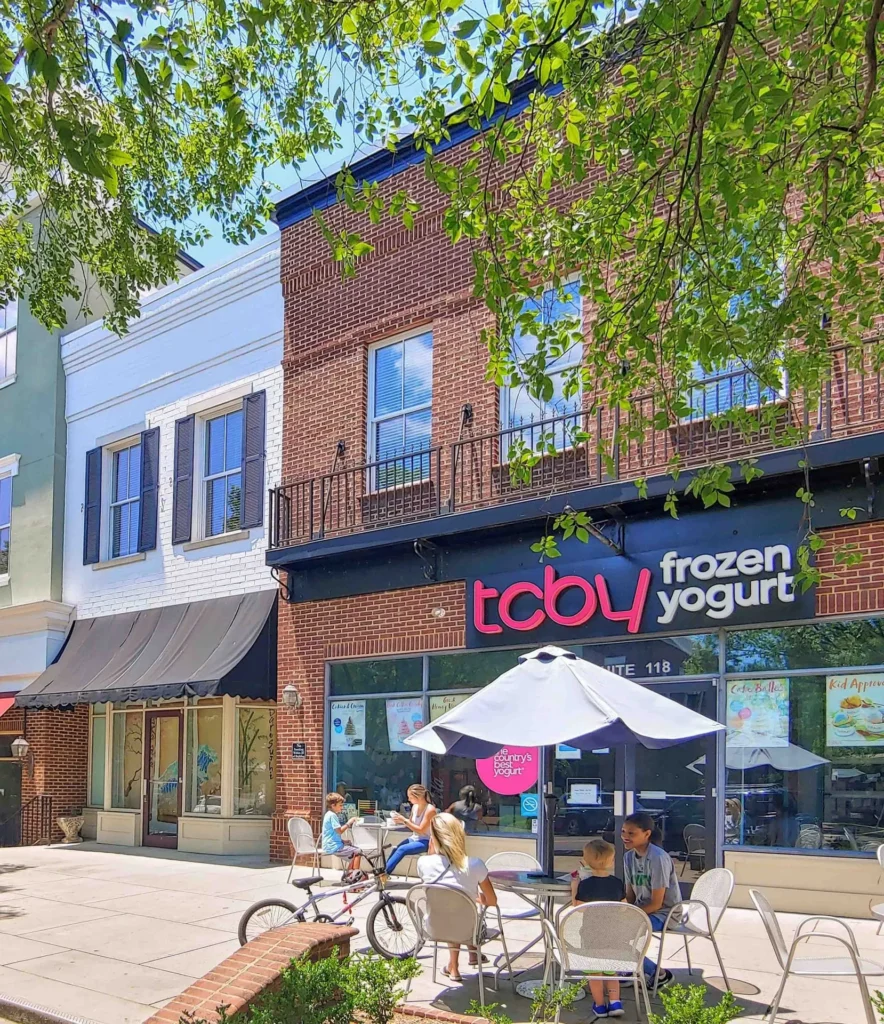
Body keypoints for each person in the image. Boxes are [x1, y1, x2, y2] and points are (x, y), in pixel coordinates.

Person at [417, 812, 498, 981]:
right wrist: (475, 898)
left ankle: (453, 966)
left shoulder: (423, 863)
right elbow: (492, 901)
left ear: (434, 838)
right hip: (470, 931)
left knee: (450, 910)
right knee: (463, 913)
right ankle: (468, 957)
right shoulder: (474, 864)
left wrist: (432, 851)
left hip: (434, 928)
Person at [569, 838, 626, 1018]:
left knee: (595, 972)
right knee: (611, 970)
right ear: (610, 861)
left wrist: (574, 889)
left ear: (586, 861)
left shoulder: (586, 885)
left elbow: (579, 907)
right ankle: (615, 1002)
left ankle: (600, 1005)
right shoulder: (617, 883)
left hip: (591, 935)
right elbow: (625, 907)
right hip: (614, 935)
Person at [622, 812, 678, 989]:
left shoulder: (658, 858)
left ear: (647, 834)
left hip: (664, 914)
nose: (625, 837)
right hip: (641, 910)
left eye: (631, 833)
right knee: (609, 926)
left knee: (620, 934)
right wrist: (621, 911)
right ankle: (631, 967)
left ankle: (659, 974)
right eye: (623, 832)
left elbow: (657, 903)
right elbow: (630, 894)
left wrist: (630, 917)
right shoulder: (628, 857)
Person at [385, 783, 437, 875]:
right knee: (395, 849)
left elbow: (421, 830)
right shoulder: (415, 807)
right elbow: (411, 824)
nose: (409, 799)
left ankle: (383, 875)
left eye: (410, 797)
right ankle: (384, 873)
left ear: (418, 796)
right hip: (415, 838)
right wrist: (400, 821)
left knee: (402, 849)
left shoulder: (430, 810)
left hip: (427, 841)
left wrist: (404, 821)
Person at [321, 792, 365, 882]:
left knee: (354, 852)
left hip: (331, 844)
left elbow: (332, 834)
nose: (342, 807)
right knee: (358, 851)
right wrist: (349, 822)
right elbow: (339, 831)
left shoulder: (328, 814)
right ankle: (354, 878)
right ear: (333, 805)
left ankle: (349, 875)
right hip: (333, 846)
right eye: (340, 805)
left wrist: (343, 841)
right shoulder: (332, 816)